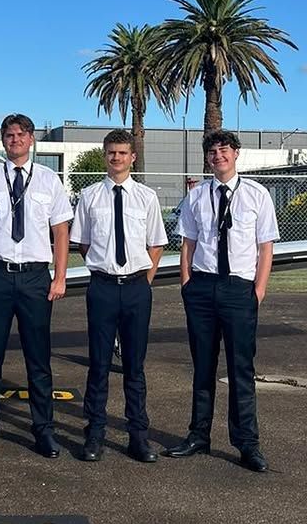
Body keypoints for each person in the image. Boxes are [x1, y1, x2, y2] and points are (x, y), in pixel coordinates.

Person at [0, 113, 73, 459]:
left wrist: (59, 276)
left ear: (31, 139)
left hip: (35, 277)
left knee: (38, 359)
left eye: (21, 134)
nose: (15, 140)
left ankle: (44, 430)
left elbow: (61, 231)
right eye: (9, 135)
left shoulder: (48, 180)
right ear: (3, 140)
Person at [168, 129, 279, 472]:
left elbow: (265, 247)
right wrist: (187, 283)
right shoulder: (197, 196)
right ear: (207, 158)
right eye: (213, 151)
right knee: (202, 366)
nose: (219, 155)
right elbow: (188, 243)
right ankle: (198, 435)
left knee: (241, 369)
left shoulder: (257, 195)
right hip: (202, 288)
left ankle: (247, 443)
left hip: (239, 289)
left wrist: (258, 290)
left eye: (224, 150)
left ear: (236, 153)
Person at [70, 128, 167, 463]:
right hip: (103, 288)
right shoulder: (89, 196)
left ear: (132, 157)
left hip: (137, 288)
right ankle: (95, 433)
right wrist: (106, 269)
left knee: (134, 366)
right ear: (105, 156)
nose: (116, 158)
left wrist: (144, 280)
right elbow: (83, 243)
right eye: (111, 152)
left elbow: (156, 244)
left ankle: (138, 436)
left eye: (123, 153)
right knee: (98, 364)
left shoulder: (146, 197)